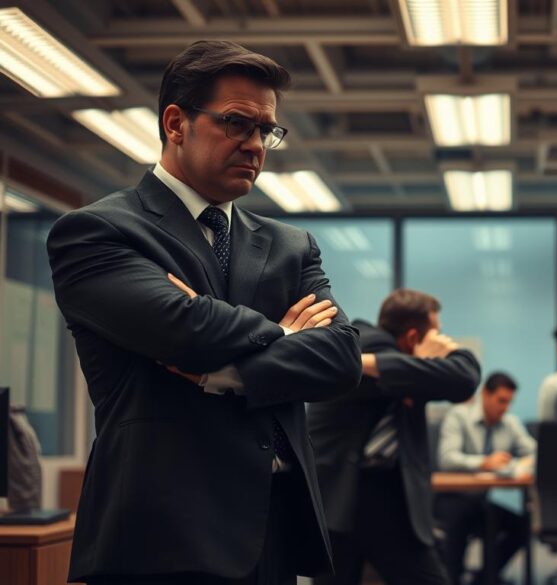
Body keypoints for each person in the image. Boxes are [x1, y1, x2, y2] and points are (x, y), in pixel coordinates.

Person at [46, 40, 363, 584]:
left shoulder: (291, 245)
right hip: (161, 538)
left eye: (266, 131)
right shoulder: (99, 230)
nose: (255, 145)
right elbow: (183, 329)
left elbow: (340, 359)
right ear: (176, 123)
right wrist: (286, 333)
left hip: (275, 533)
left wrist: (227, 372)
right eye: (237, 123)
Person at [308, 289, 481, 585]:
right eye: (434, 334)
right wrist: (422, 367)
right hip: (345, 496)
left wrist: (418, 367)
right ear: (413, 337)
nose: (439, 340)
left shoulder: (396, 366)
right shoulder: (359, 343)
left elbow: (465, 376)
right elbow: (458, 379)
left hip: (379, 497)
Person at [435, 372, 535, 585]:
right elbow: (446, 459)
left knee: (522, 526)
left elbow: (533, 452)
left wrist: (519, 464)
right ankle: (453, 579)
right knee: (458, 522)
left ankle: (483, 578)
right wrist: (484, 462)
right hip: (451, 498)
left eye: (509, 402)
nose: (505, 407)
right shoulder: (458, 416)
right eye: (501, 400)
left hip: (480, 501)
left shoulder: (510, 422)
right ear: (485, 395)